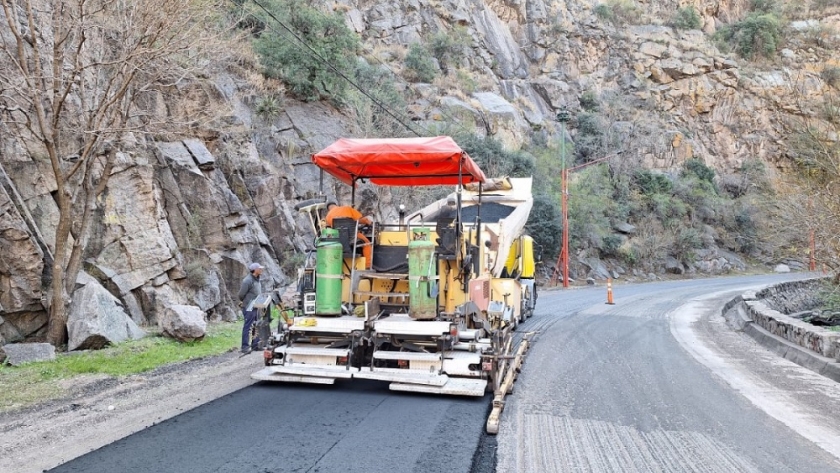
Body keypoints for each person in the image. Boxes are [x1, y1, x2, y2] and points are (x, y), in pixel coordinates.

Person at [325, 202, 373, 269]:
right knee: (367, 243)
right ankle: (368, 266)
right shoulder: (347, 209)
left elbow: (329, 229)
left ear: (328, 209)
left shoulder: (328, 216)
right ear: (337, 205)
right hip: (352, 237)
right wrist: (367, 221)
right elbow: (359, 219)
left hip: (339, 239)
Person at [238, 262, 263, 354]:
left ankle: (255, 345)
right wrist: (245, 301)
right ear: (255, 270)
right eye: (259, 268)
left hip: (256, 306)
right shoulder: (247, 280)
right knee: (248, 326)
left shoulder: (257, 279)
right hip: (249, 306)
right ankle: (245, 347)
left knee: (256, 325)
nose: (261, 270)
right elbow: (241, 295)